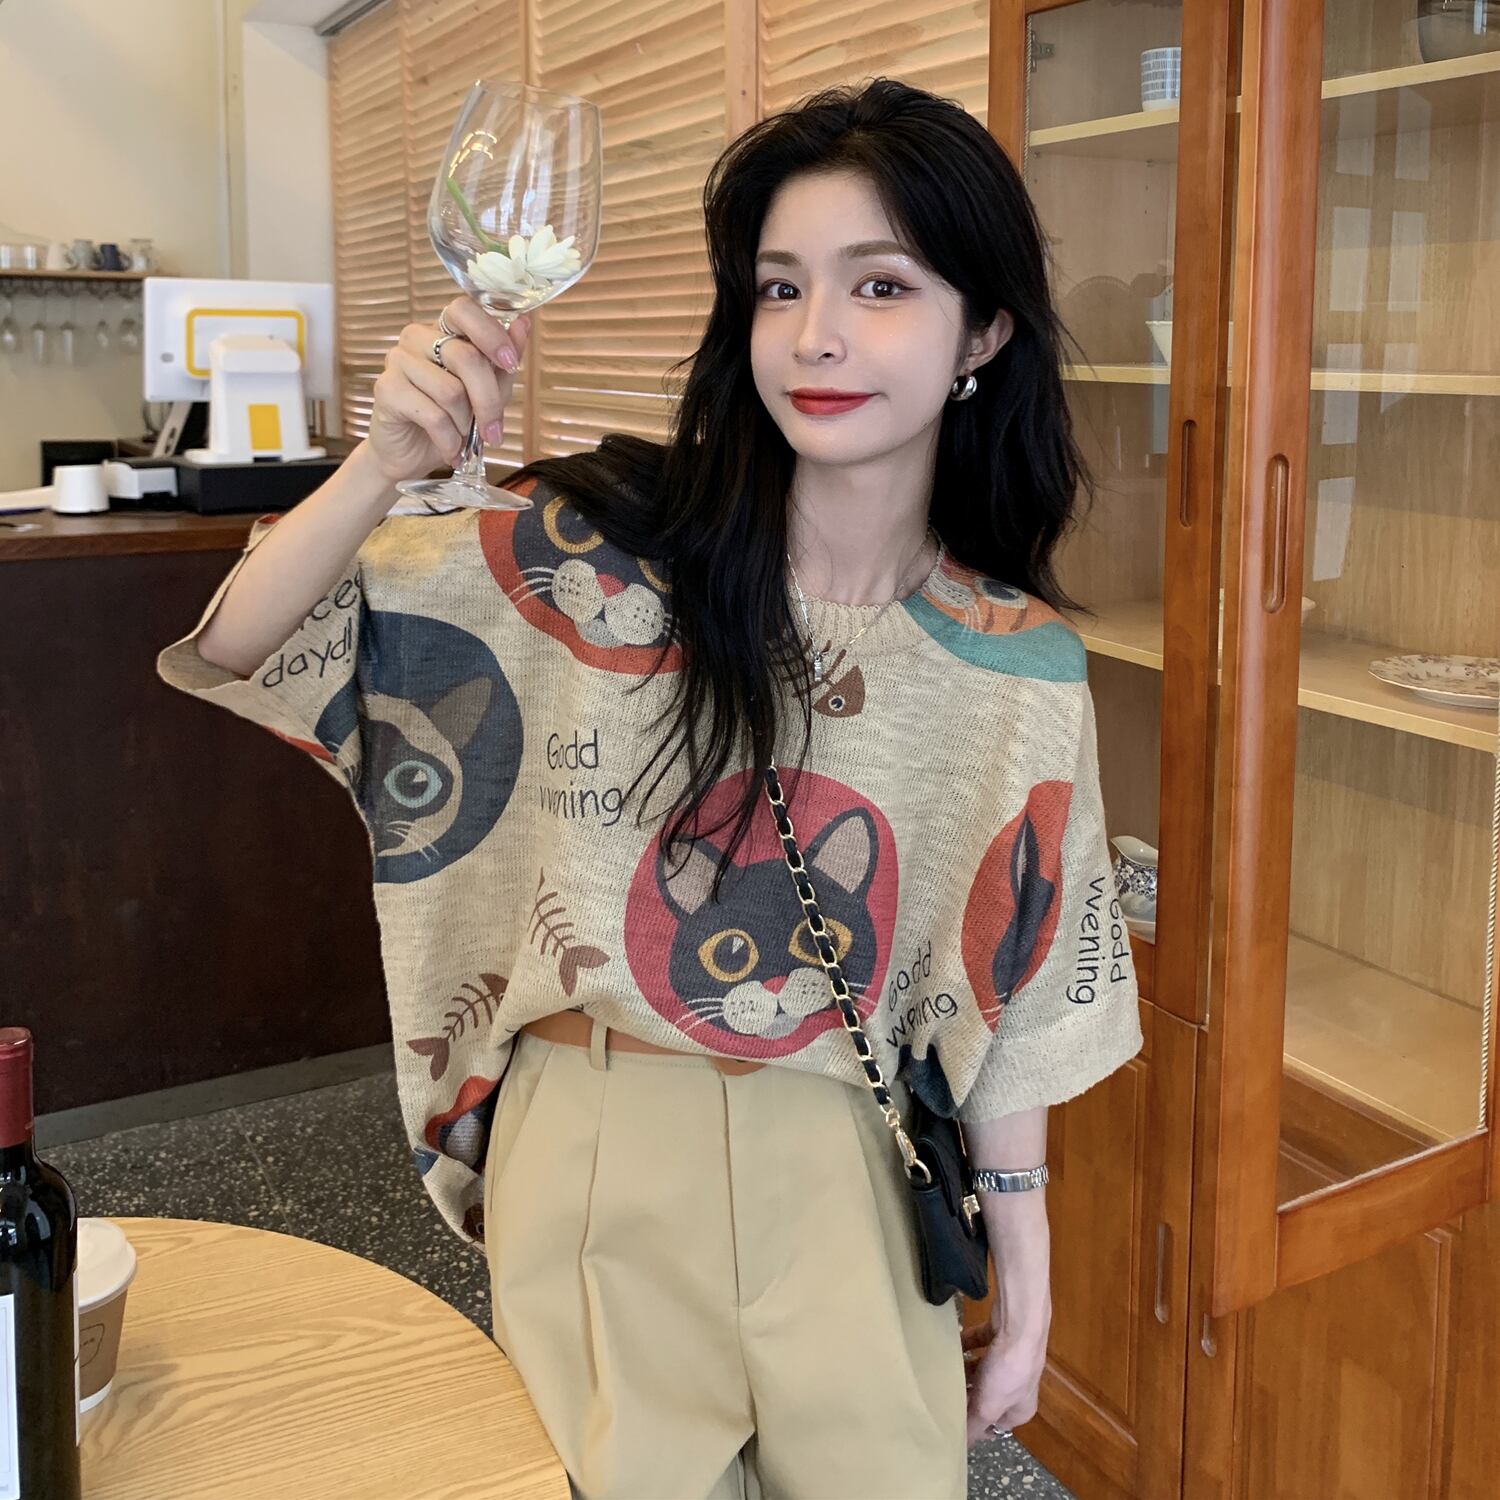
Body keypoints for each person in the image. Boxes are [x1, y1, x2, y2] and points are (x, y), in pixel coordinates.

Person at [156, 76, 1143, 1500]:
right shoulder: (594, 564)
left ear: (982, 331)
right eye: (780, 287)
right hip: (603, 1138)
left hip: (854, 1166)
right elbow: (243, 646)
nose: (815, 335)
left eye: (880, 286)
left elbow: (1021, 1000)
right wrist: (383, 463)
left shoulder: (1019, 665)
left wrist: (1031, 1286)